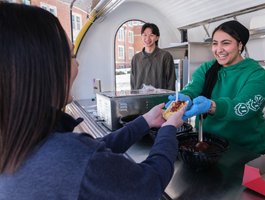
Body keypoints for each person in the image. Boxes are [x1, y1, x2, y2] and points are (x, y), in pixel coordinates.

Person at [0, 3, 185, 200]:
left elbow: (92, 151)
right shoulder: (68, 156)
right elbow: (149, 185)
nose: (77, 62)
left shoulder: (18, 137)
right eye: (71, 55)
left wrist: (145, 121)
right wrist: (169, 129)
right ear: (43, 66)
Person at [167, 20, 265, 154]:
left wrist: (211, 106)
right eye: (215, 43)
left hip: (244, 151)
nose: (219, 49)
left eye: (226, 43)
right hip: (208, 144)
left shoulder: (257, 75)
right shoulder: (208, 68)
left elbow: (242, 107)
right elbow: (194, 87)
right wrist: (185, 96)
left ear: (240, 45)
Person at [130, 22, 176, 90]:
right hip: (140, 99)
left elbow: (171, 81)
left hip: (160, 99)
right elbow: (133, 83)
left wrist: (169, 99)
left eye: (151, 35)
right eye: (145, 35)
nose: (147, 38)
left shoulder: (165, 56)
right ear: (141, 36)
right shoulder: (136, 58)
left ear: (157, 37)